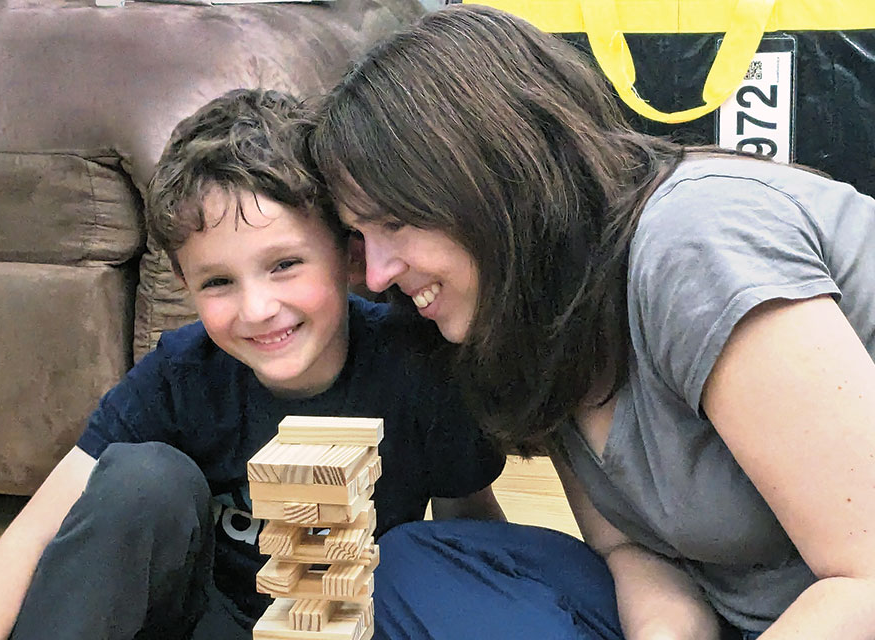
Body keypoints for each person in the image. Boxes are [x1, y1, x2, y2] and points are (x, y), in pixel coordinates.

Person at [307, 5, 875, 639]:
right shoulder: (532, 311)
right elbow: (632, 550)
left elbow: (866, 579)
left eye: (395, 222)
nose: (378, 274)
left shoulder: (696, 244)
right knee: (412, 565)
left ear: (495, 177)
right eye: (359, 235)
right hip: (738, 609)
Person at [0, 88, 507, 640]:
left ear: (348, 254)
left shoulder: (418, 368)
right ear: (185, 286)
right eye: (218, 282)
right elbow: (34, 534)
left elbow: (468, 533)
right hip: (202, 619)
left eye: (285, 264)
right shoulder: (180, 377)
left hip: (353, 619)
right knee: (143, 479)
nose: (258, 310)